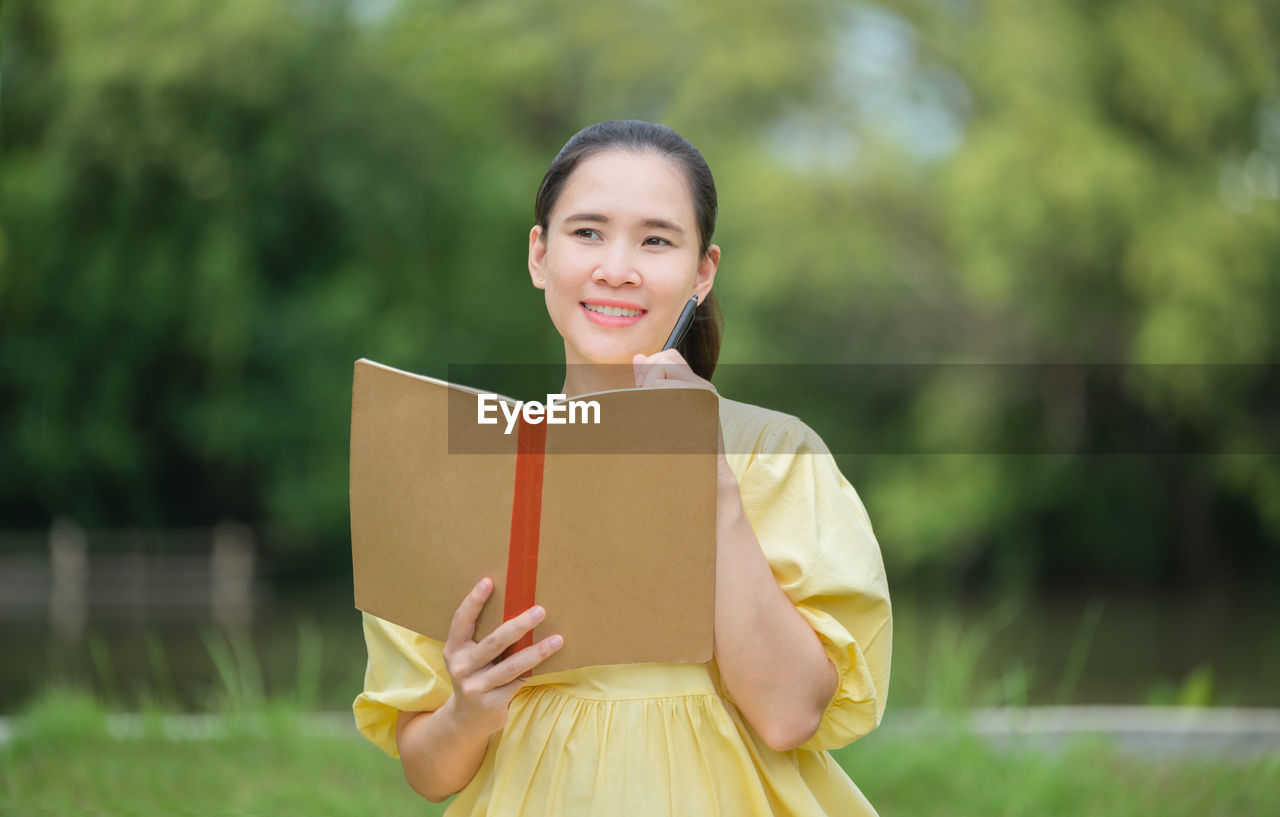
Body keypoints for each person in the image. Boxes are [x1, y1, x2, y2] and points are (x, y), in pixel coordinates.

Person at [354, 120, 892, 815]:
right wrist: (469, 708)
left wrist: (709, 478)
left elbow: (790, 715)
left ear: (703, 271)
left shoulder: (773, 454)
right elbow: (430, 773)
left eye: (657, 239)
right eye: (587, 232)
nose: (617, 267)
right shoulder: (462, 466)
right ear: (539, 255)